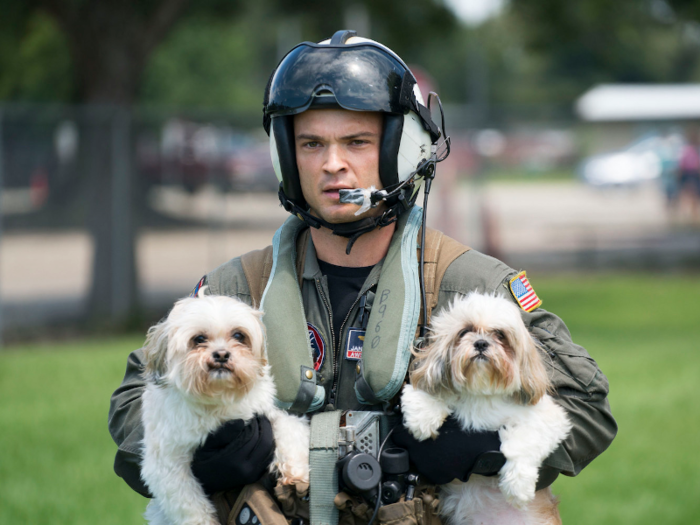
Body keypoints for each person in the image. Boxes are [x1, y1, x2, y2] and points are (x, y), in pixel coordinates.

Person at [109, 31, 616, 524]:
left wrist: (482, 449)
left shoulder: (470, 285)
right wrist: (199, 452)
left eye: (356, 142)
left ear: (400, 149)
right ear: (286, 156)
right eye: (311, 144)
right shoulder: (235, 289)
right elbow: (134, 399)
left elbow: (586, 403)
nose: (333, 165)